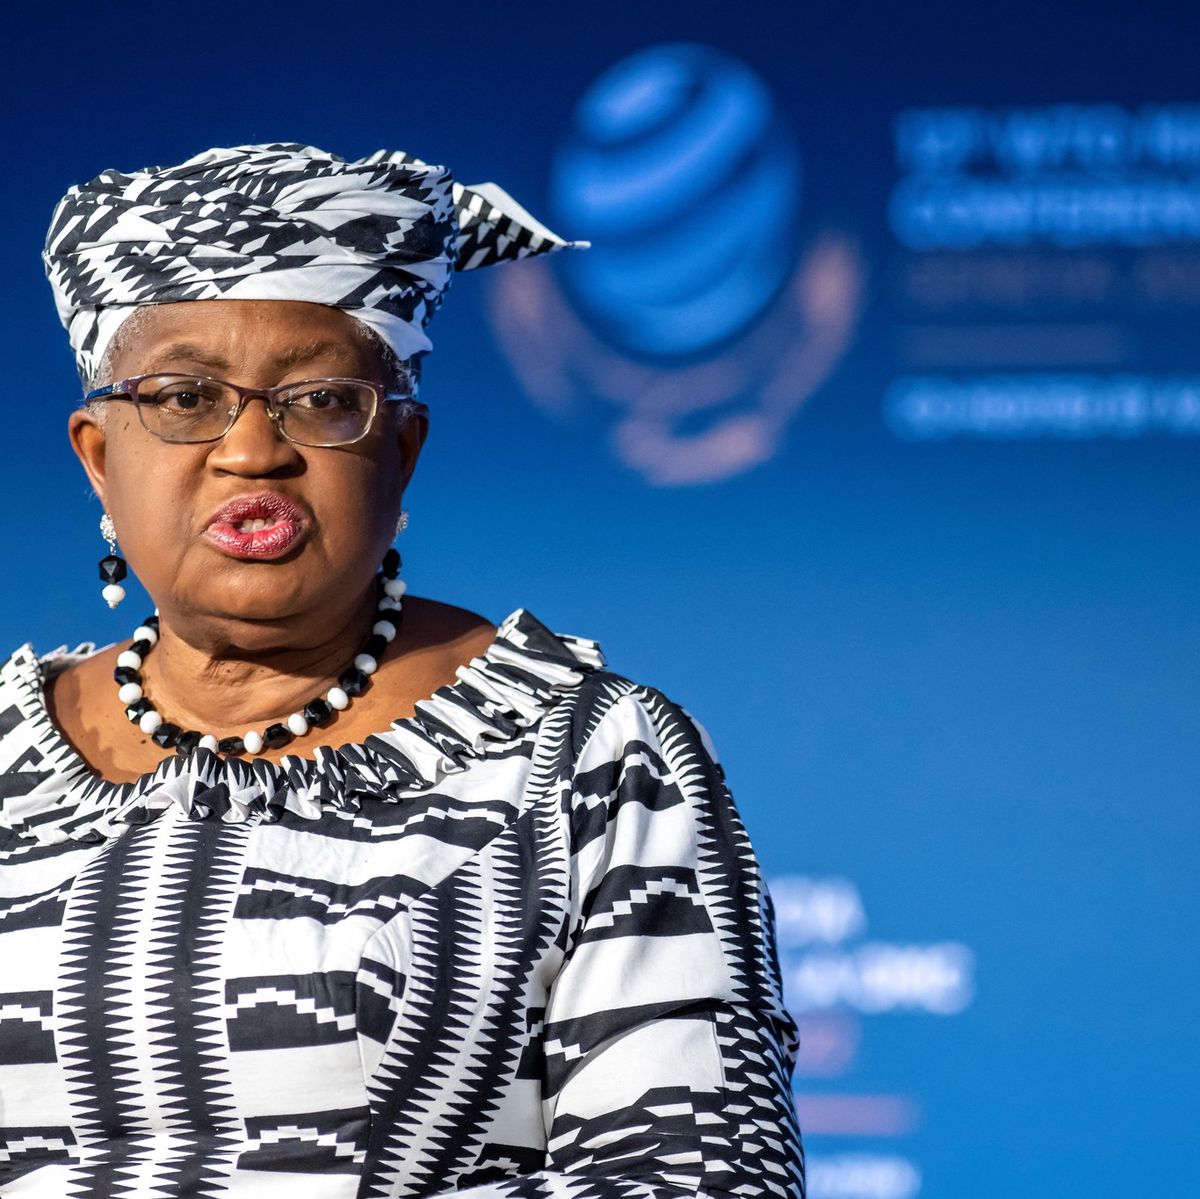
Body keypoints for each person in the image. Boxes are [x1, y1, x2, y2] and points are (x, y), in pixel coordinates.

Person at [0, 143, 804, 1198]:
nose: (251, 450)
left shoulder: (582, 760)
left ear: (402, 448)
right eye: (187, 396)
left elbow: (704, 1175)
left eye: (321, 400)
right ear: (99, 455)